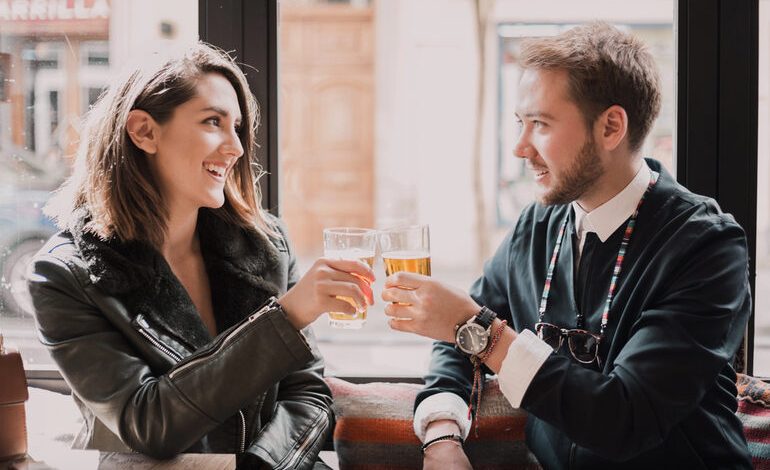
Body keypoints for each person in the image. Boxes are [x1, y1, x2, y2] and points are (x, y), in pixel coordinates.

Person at [382, 22, 752, 468]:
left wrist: (483, 333)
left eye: (540, 124)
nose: (519, 147)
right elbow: (456, 335)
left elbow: (625, 417)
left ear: (611, 127)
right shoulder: (536, 225)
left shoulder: (707, 247)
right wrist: (441, 437)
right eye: (520, 123)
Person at [26, 42, 375, 469]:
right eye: (213, 122)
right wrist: (283, 321)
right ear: (144, 131)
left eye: (238, 128)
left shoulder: (267, 244)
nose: (237, 148)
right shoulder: (66, 275)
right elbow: (150, 423)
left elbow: (308, 395)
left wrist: (260, 466)